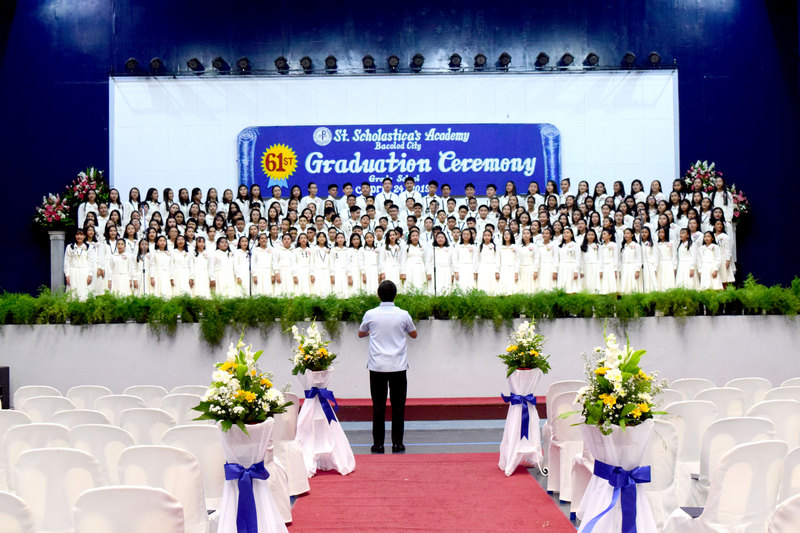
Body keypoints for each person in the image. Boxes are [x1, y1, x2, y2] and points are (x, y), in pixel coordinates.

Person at [358, 280, 417, 454]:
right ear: (395, 295)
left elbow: (361, 333)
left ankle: (378, 444)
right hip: (398, 366)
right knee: (399, 406)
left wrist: (373, 331)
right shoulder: (403, 314)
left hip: (377, 366)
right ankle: (398, 443)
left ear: (378, 295)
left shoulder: (371, 314)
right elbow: (413, 334)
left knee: (378, 406)